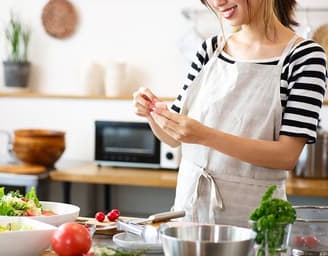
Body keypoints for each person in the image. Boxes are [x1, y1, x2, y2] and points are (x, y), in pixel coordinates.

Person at [132, 0, 327, 227]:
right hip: (188, 218)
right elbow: (174, 139)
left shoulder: (305, 57)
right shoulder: (210, 50)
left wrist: (204, 135)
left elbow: (286, 156)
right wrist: (152, 113)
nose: (218, 3)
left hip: (255, 224)